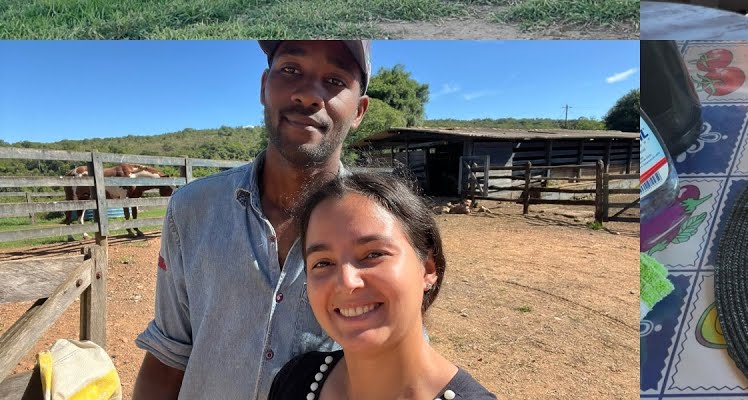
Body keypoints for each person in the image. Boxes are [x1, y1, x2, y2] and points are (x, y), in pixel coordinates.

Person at [132, 40, 371, 400]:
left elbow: (402, 369)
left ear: (359, 111)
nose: (308, 95)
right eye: (290, 70)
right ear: (264, 87)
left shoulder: (382, 229)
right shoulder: (192, 210)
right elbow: (168, 358)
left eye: (335, 80)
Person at [267, 172, 497, 399]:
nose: (347, 282)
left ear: (427, 268)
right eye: (323, 263)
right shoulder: (295, 381)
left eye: (373, 254)